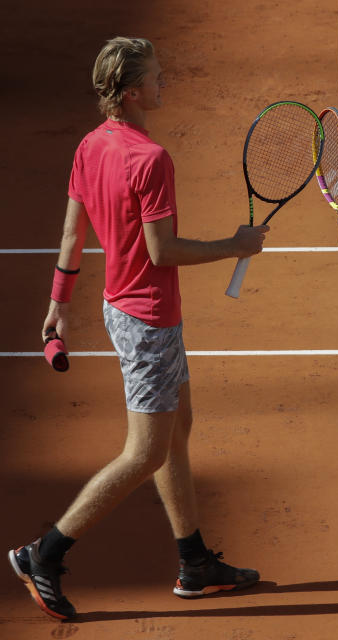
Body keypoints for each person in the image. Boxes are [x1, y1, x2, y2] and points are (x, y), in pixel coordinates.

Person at [8, 37, 267, 620]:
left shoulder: (90, 144)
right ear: (132, 93)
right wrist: (235, 246)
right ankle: (43, 555)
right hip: (147, 319)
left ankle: (195, 563)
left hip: (127, 311)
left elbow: (73, 237)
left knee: (179, 428)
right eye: (156, 77)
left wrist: (57, 305)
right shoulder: (151, 160)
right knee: (145, 451)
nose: (164, 83)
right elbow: (162, 250)